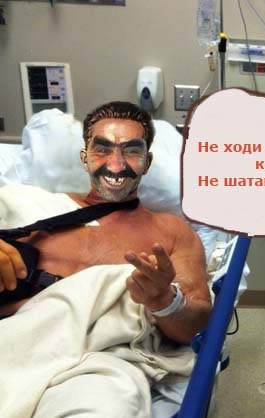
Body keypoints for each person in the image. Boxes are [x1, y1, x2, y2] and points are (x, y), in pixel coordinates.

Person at [0, 101, 211, 417]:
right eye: (102, 149)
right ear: (84, 158)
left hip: (99, 364)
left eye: (132, 151)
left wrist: (164, 301)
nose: (116, 164)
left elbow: (195, 325)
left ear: (147, 162)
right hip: (13, 339)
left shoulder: (172, 231)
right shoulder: (26, 204)